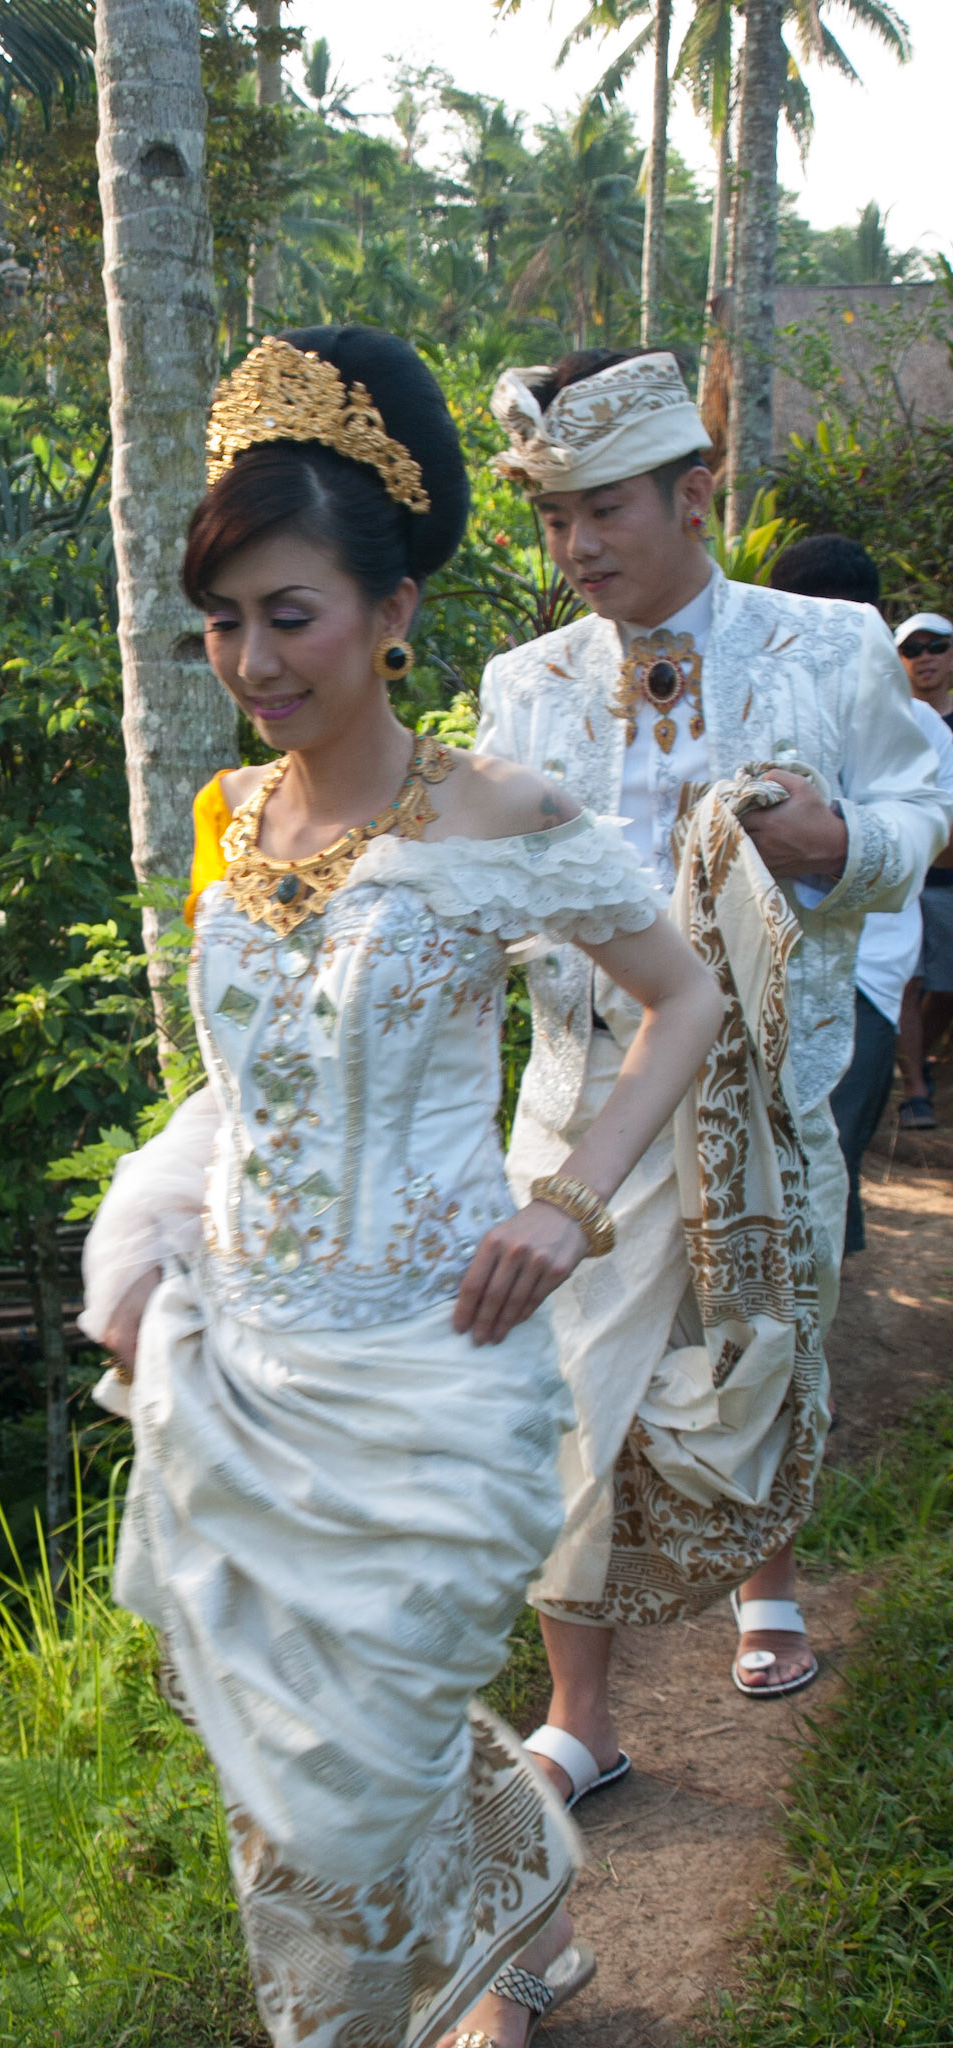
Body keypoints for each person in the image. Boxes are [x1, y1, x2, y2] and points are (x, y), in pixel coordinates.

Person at [79, 328, 724, 2048]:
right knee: (278, 1749)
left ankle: (420, 1989)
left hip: (439, 1353)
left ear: (389, 609)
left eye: (287, 613)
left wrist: (567, 1203)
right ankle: (495, 1900)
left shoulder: (498, 813)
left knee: (369, 1726)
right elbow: (240, 1082)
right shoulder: (227, 817)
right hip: (248, 1362)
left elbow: (687, 995)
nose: (251, 658)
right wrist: (148, 1242)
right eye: (223, 620)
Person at [476, 350, 950, 1805]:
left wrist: (838, 850)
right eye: (554, 520)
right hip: (580, 1102)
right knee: (560, 1394)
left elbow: (920, 802)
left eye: (603, 509)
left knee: (759, 1345)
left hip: (770, 1085)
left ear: (694, 492)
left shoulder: (832, 641)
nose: (578, 549)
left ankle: (767, 1574)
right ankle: (583, 1716)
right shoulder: (522, 681)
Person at [769, 544, 953, 1248]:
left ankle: (807, 1340)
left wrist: (830, 840)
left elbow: (928, 834)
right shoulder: (751, 705)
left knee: (825, 1162)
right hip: (760, 974)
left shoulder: (922, 728)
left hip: (862, 977)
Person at [892, 611, 953, 1130]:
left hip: (950, 879)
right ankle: (914, 1090)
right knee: (906, 982)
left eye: (936, 645)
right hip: (908, 877)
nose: (925, 657)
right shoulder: (892, 723)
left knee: (945, 988)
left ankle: (918, 1064)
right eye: (912, 649)